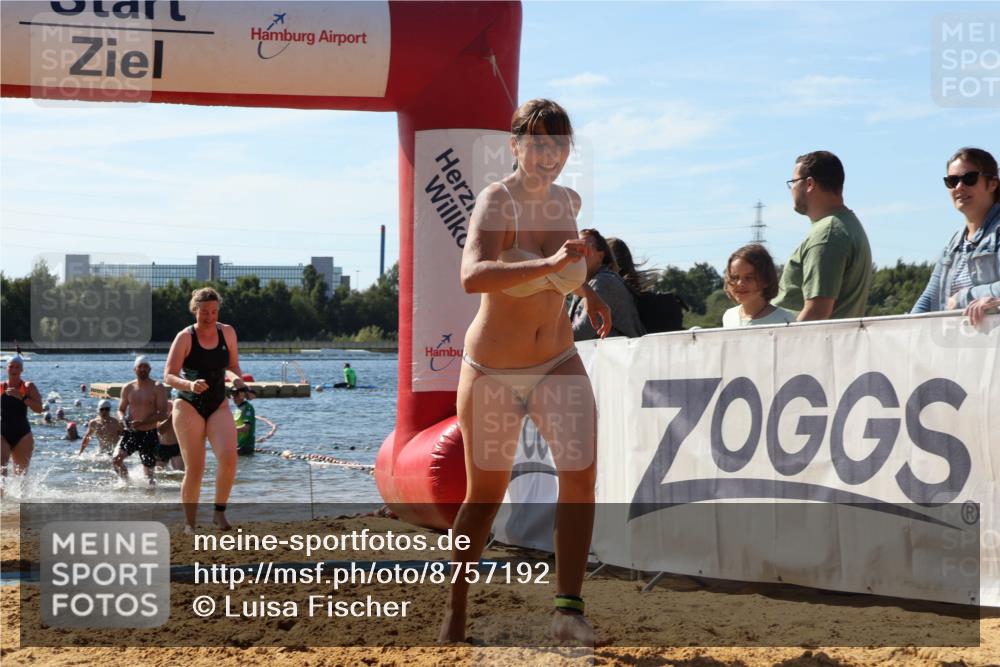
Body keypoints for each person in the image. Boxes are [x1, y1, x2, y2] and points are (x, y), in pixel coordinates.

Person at [441, 99, 608, 645]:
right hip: (493, 367)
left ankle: (568, 610)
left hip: (557, 356)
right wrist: (555, 267)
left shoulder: (565, 201)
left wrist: (584, 289)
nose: (548, 154)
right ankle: (456, 613)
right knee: (483, 496)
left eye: (557, 145)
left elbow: (558, 266)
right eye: (536, 143)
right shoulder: (497, 201)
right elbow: (474, 276)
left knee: (581, 475)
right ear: (515, 146)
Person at [164, 287, 246, 533]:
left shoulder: (228, 332)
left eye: (213, 312)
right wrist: (190, 384)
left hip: (218, 404)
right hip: (188, 405)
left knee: (229, 459)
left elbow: (232, 366)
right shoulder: (185, 337)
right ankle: (189, 523)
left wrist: (237, 381)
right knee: (196, 468)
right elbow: (168, 375)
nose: (209, 317)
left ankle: (218, 513)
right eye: (204, 312)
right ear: (194, 310)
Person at [774, 151, 873, 321]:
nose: (792, 190)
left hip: (806, 345)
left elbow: (816, 313)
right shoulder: (845, 225)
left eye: (793, 182)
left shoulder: (827, 235)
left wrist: (785, 345)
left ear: (809, 183)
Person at [912, 147, 1000, 327]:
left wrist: (964, 297)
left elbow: (955, 301)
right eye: (952, 181)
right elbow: (930, 299)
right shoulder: (954, 243)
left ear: (992, 184)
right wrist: (906, 332)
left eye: (969, 178)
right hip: (965, 349)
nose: (959, 187)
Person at [569, 228, 646, 340]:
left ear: (600, 257)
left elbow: (582, 332)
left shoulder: (604, 282)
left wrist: (543, 337)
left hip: (620, 356)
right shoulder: (583, 284)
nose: (580, 251)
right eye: (576, 247)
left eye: (586, 246)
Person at [112, 356, 168, 485]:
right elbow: (120, 410)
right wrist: (122, 420)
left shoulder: (157, 387)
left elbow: (163, 414)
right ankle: (128, 484)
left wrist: (142, 422)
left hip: (149, 433)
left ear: (150, 369)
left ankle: (151, 498)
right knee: (116, 460)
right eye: (140, 367)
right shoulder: (128, 388)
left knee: (149, 476)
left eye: (145, 367)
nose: (143, 369)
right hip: (131, 432)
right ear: (134, 369)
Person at [722, 244, 797, 327]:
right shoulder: (729, 316)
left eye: (749, 277)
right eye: (735, 277)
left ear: (766, 280)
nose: (740, 283)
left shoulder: (785, 319)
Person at [1, 356, 43, 478]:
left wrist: (22, 397)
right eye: (11, 367)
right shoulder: (1, 387)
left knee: (21, 477)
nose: (14, 369)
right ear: (6, 369)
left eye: (17, 367)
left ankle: (21, 497)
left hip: (23, 435)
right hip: (2, 433)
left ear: (22, 370)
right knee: (1, 473)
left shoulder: (28, 387)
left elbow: (39, 409)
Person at [155, 385, 184, 471]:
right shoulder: (164, 407)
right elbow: (161, 429)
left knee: (179, 474)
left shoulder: (185, 409)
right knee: (158, 475)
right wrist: (172, 414)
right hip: (161, 446)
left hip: (177, 446)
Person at [232, 386, 256, 456]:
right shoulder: (237, 409)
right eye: (232, 394)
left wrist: (229, 430)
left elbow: (246, 428)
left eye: (235, 394)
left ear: (242, 395)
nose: (233, 397)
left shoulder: (247, 408)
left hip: (245, 448)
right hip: (237, 446)